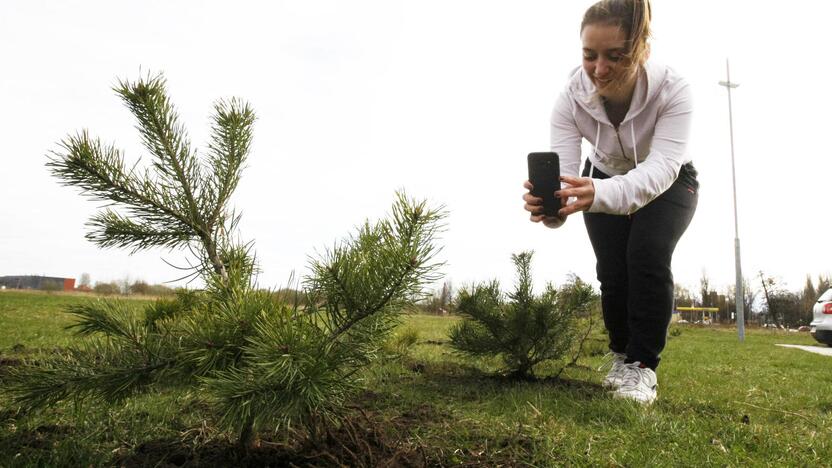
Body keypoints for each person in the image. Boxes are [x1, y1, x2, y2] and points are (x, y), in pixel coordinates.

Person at [522, 0, 698, 404]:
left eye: (614, 56)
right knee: (613, 270)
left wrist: (597, 194)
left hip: (668, 179)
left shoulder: (674, 90)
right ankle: (621, 356)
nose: (599, 69)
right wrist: (552, 208)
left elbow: (662, 169)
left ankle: (641, 368)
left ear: (642, 52)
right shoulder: (570, 99)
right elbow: (567, 173)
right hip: (600, 174)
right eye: (589, 55)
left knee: (647, 255)